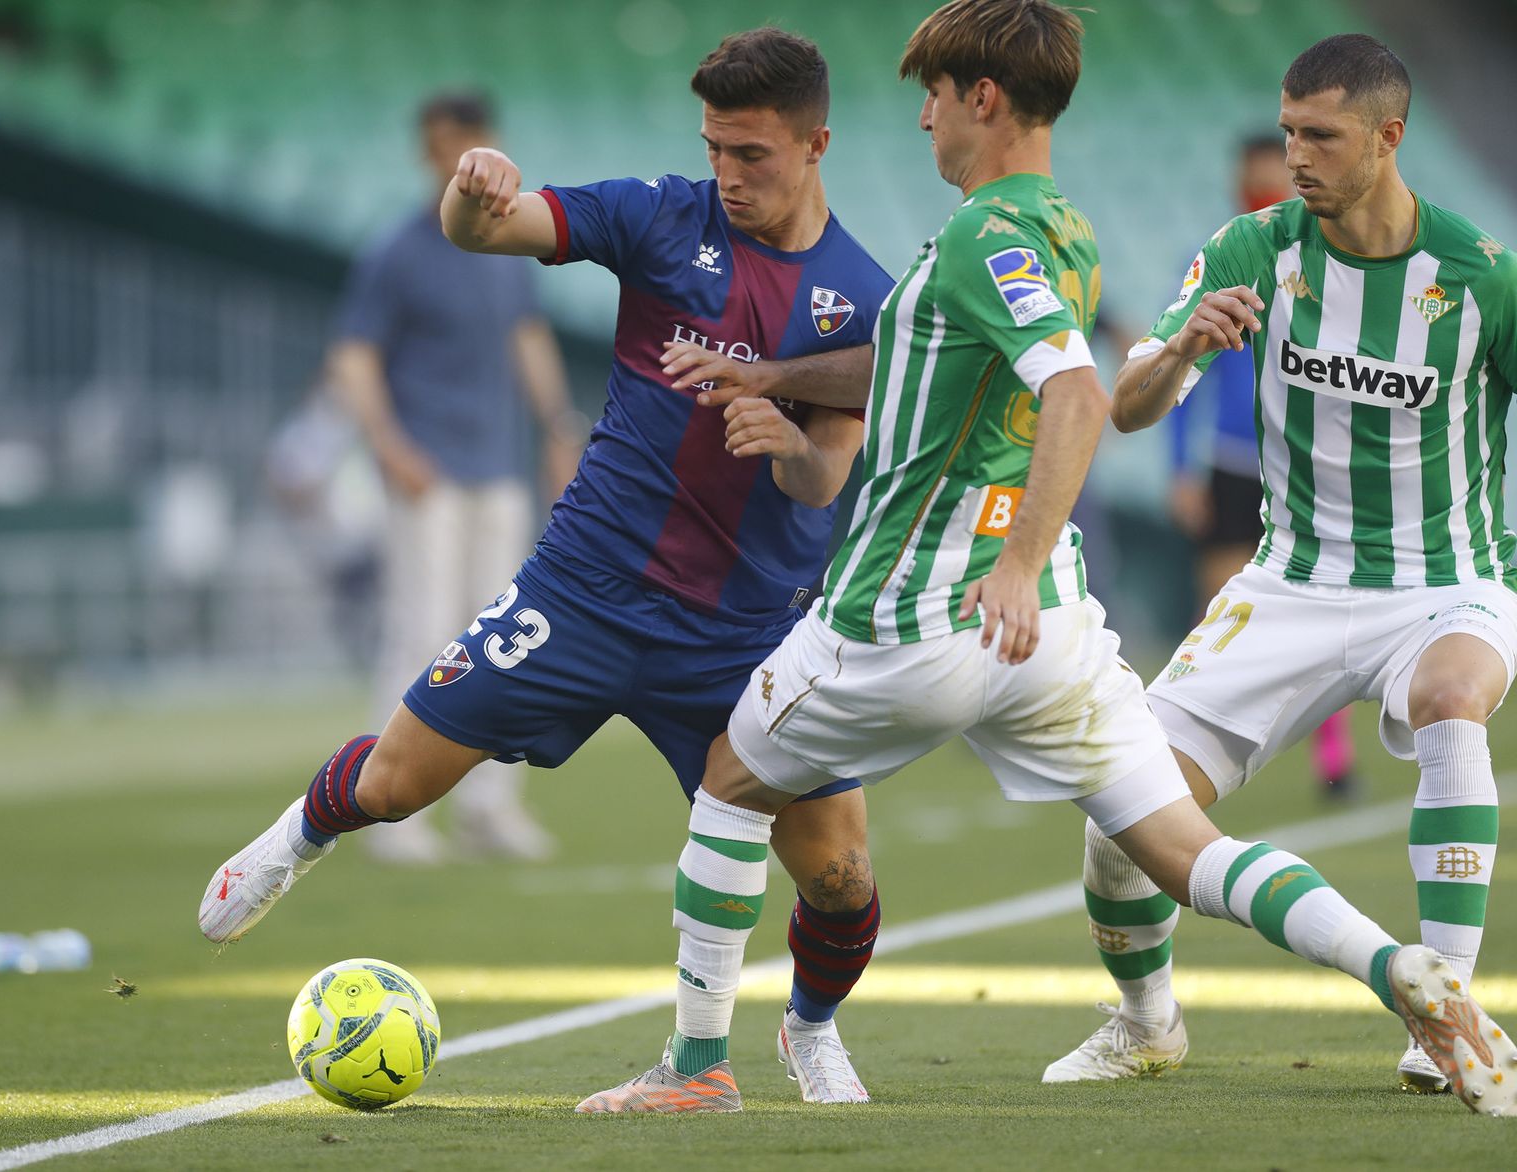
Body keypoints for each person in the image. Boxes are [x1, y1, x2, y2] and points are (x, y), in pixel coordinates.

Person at [576, 2, 1513, 1118]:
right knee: (1179, 842)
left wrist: (1010, 561)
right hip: (1055, 628)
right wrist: (773, 381)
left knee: (730, 782)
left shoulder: (982, 236)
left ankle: (694, 1069)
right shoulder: (1064, 226)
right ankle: (1400, 973)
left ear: (984, 101)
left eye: (933, 96)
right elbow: (1020, 372)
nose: (920, 119)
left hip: (915, 606)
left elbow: (1071, 392)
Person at [199, 29, 896, 1106]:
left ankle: (807, 1029)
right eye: (715, 146)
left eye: (751, 153)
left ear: (815, 145)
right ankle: (292, 842)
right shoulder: (660, 214)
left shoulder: (856, 294)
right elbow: (490, 229)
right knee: (392, 781)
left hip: (742, 627)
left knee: (843, 879)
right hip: (581, 588)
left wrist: (786, 440)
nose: (728, 174)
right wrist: (473, 194)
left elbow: (822, 483)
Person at [1044, 32, 1516, 1096]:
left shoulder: (1481, 274)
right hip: (1289, 579)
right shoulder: (1254, 247)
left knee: (1451, 700)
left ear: (1388, 138)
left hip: (1446, 578)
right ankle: (1144, 1017)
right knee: (1124, 813)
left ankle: (1446, 1010)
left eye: (1320, 135)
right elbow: (1124, 408)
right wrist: (1179, 351)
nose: (1294, 154)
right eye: (1289, 129)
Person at [328, 92, 584, 863]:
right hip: (428, 470)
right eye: (441, 143)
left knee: (501, 643)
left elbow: (527, 336)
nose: (452, 156)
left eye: (465, 141)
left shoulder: (507, 242)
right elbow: (354, 355)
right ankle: (388, 809)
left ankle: (488, 807)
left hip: (496, 466)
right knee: (419, 630)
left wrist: (558, 425)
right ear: (427, 152)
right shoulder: (398, 250)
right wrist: (386, 443)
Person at [1168, 134, 1359, 799]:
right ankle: (1190, 748)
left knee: (1316, 616)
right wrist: (1181, 469)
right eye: (1248, 183)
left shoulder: (1331, 267)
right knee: (1216, 612)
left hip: (1301, 466)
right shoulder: (1219, 261)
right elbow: (1184, 370)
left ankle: (1334, 761)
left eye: (1268, 183)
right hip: (1227, 464)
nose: (1258, 195)